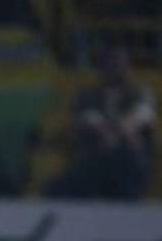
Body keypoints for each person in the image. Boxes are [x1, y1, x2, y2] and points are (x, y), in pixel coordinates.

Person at [48, 45, 155, 200]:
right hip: (95, 154)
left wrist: (116, 133)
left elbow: (139, 116)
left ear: (127, 66)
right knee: (55, 188)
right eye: (110, 63)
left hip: (128, 157)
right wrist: (105, 133)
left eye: (118, 63)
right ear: (102, 67)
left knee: (131, 153)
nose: (114, 68)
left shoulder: (139, 92)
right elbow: (88, 119)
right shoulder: (88, 95)